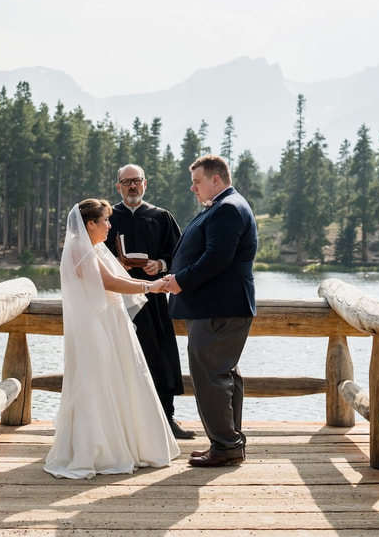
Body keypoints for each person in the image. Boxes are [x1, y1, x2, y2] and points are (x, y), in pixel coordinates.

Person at [44, 198, 181, 479]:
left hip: (110, 322)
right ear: (90, 224)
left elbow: (115, 280)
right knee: (97, 382)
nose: (109, 225)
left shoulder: (91, 247)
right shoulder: (80, 249)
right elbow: (109, 283)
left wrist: (151, 285)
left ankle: (125, 443)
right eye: (105, 221)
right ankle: (98, 449)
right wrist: (149, 286)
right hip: (97, 326)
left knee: (116, 380)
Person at [156, 154, 257, 467]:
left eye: (197, 181)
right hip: (219, 306)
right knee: (224, 375)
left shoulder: (227, 208)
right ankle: (229, 442)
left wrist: (179, 282)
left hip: (217, 308)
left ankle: (226, 445)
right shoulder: (224, 206)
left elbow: (217, 258)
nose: (193, 188)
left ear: (216, 179)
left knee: (210, 377)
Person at [104, 163, 195, 441]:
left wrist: (161, 264)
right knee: (118, 360)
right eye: (126, 181)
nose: (132, 186)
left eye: (137, 181)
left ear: (146, 184)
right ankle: (120, 425)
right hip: (116, 302)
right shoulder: (108, 217)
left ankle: (166, 420)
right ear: (118, 186)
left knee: (160, 358)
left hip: (153, 300)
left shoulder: (161, 217)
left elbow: (181, 256)